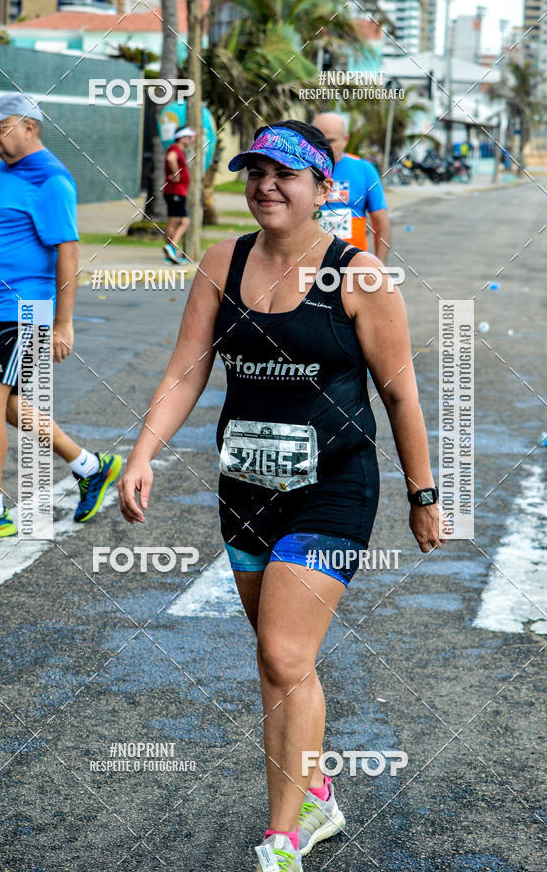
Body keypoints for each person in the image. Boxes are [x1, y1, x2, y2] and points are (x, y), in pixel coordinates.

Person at [118, 120, 445, 870]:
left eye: (285, 175)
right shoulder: (220, 261)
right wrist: (142, 455)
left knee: (283, 648)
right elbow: (185, 372)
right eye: (255, 171)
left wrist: (423, 493)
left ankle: (285, 833)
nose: (266, 185)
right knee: (282, 666)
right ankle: (318, 787)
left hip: (333, 488)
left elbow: (400, 397)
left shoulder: (359, 276)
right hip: (246, 488)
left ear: (324, 189)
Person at [0, 93, 122, 541]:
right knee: (6, 404)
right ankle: (91, 467)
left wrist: (63, 322)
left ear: (29, 126)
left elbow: (67, 250)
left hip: (23, 306)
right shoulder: (5, 172)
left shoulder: (51, 179)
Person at [312, 112, 391, 263]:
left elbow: (381, 224)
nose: (325, 147)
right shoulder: (302, 171)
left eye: (331, 141)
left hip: (353, 265)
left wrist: (379, 269)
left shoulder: (364, 170)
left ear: (345, 140)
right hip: (310, 264)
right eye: (318, 141)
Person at [162, 125, 196, 264]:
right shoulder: (175, 149)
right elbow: (170, 159)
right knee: (181, 221)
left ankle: (170, 253)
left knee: (177, 222)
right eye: (189, 137)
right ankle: (171, 248)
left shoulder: (179, 150)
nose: (191, 140)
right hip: (175, 191)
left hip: (178, 192)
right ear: (182, 138)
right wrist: (176, 175)